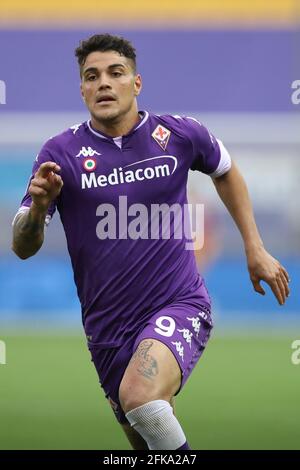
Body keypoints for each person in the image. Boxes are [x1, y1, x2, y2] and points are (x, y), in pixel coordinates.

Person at [12, 34, 290, 451]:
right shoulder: (60, 153)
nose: (103, 83)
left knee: (141, 399)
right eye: (92, 76)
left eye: (115, 73)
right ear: (82, 89)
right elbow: (22, 245)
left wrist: (254, 246)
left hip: (178, 303)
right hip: (106, 329)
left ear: (136, 83)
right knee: (149, 438)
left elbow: (226, 170)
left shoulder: (178, 135)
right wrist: (37, 209)